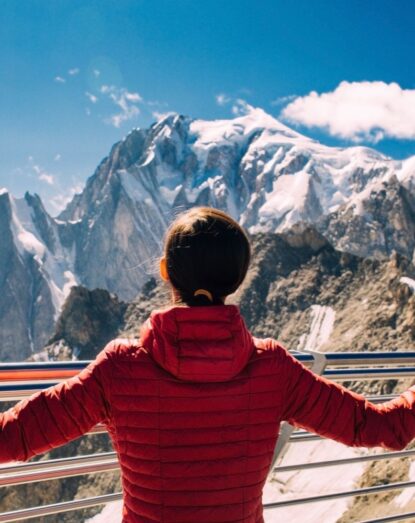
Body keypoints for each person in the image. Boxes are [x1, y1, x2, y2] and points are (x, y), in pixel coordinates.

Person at [1, 206, 415, 523]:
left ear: (165, 273)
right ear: (237, 280)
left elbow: (15, 437)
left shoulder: (120, 368)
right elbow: (383, 428)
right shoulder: (273, 368)